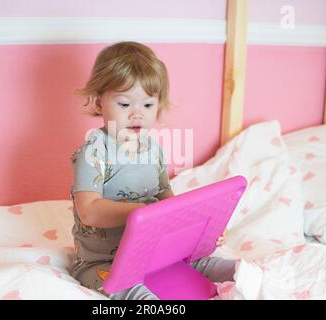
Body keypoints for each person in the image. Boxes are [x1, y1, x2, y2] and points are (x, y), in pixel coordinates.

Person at [69, 41, 236, 300]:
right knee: (127, 287)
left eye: (147, 105)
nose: (137, 114)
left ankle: (241, 275)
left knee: (200, 260)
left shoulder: (153, 149)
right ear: (99, 102)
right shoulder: (94, 151)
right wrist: (142, 213)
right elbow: (89, 211)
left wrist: (194, 225)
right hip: (103, 261)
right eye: (124, 104)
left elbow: (164, 194)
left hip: (154, 251)